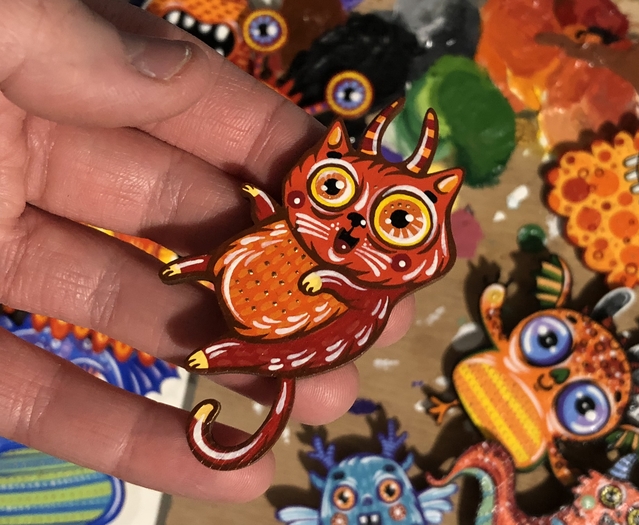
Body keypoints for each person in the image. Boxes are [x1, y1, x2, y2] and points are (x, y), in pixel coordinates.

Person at [0, 0, 414, 502]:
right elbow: (250, 251)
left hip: (274, 316)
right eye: (336, 191)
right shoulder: (292, 222)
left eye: (395, 220)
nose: (348, 227)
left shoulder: (352, 282)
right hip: (248, 288)